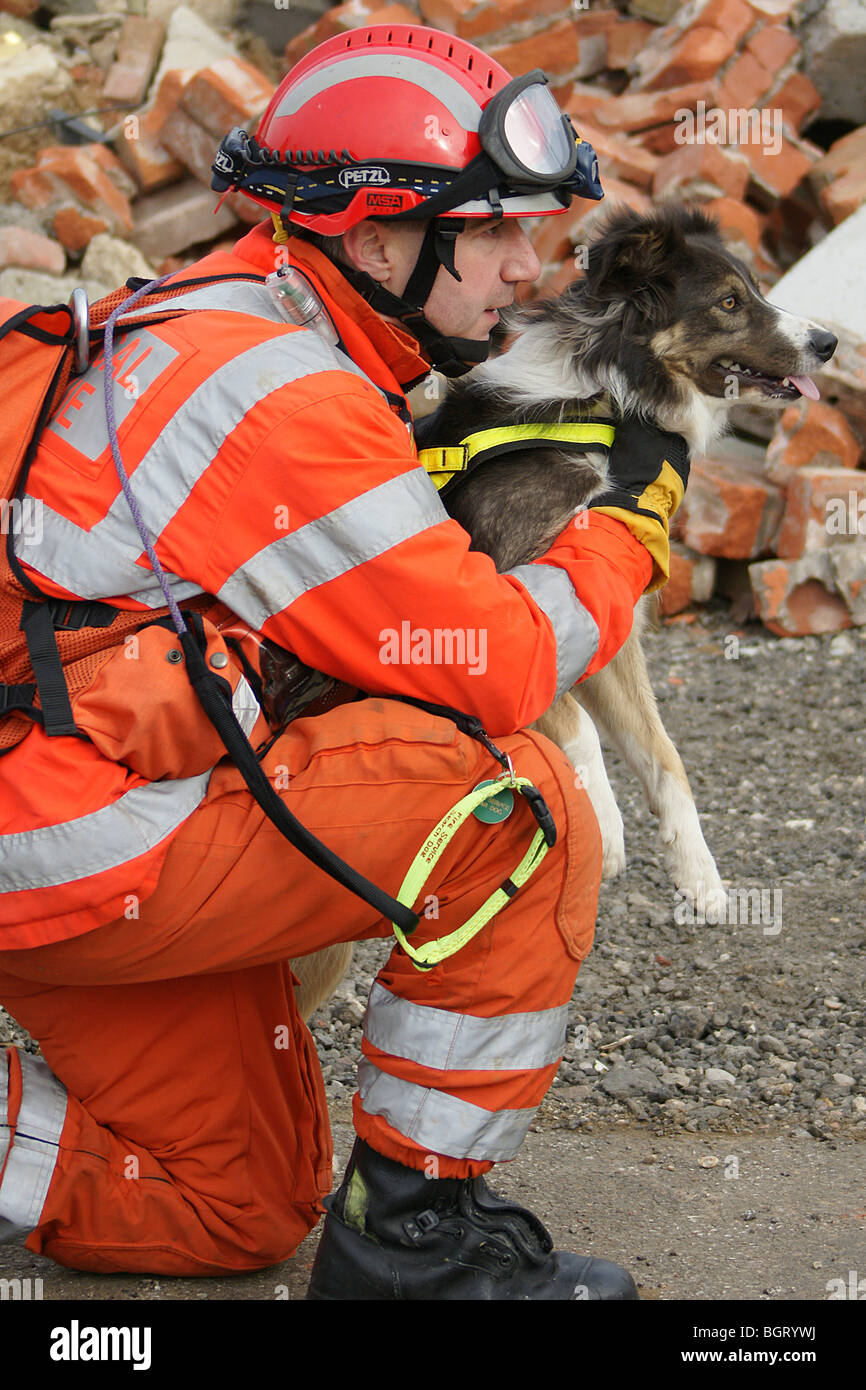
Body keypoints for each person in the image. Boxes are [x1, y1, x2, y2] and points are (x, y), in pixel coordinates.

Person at [0, 23, 688, 1299]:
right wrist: (625, 530)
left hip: (53, 821)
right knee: (514, 803)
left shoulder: (225, 311)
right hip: (70, 837)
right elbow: (499, 662)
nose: (525, 268)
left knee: (234, 1207)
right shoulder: (282, 393)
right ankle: (413, 1252)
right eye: (489, 231)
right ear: (375, 237)